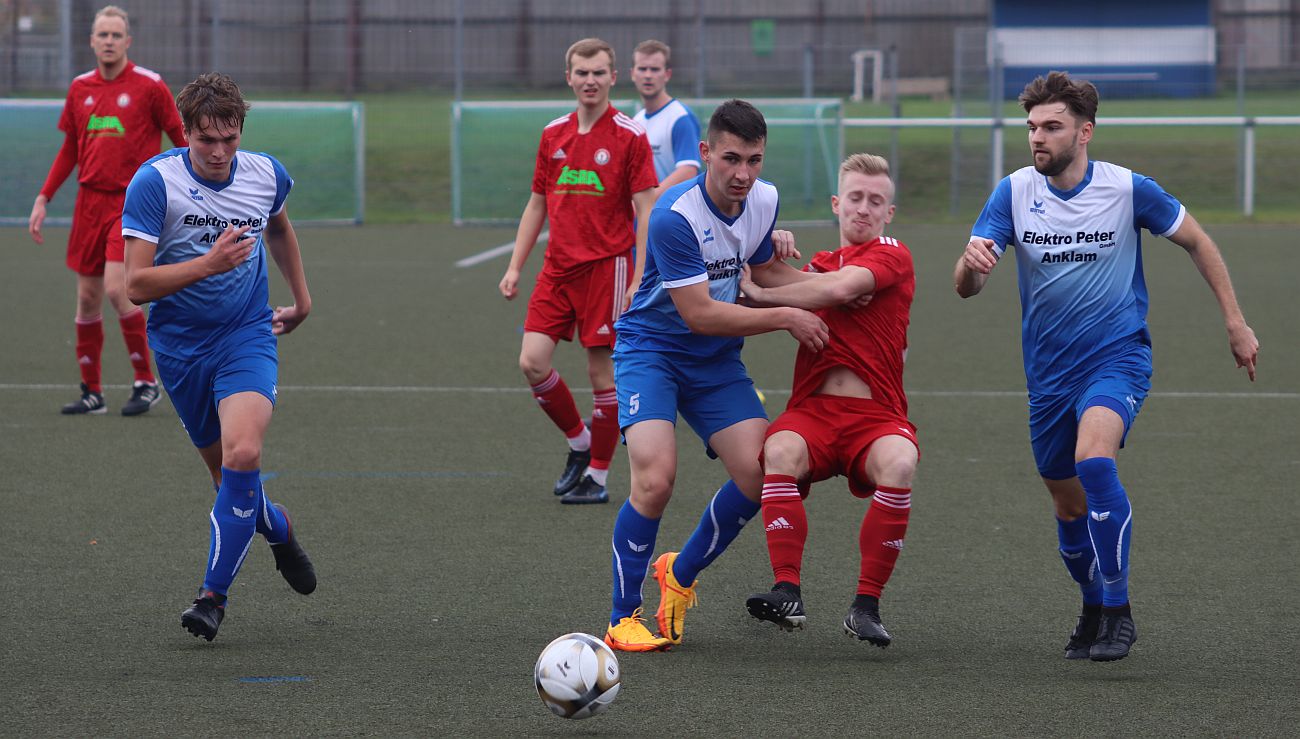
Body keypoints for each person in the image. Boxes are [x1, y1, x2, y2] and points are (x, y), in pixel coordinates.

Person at [954, 71, 1259, 662]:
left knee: (1095, 459)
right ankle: (1093, 602)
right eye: (1032, 128)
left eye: (1052, 127)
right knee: (1066, 505)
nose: (1037, 138)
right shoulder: (1012, 193)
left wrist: (1235, 321)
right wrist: (971, 267)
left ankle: (1119, 610)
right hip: (1047, 374)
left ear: (1085, 132)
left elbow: (1198, 240)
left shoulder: (1128, 190)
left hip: (1117, 356)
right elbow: (966, 287)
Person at [602, 99, 829, 652]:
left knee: (767, 476)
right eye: (731, 159)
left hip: (716, 360)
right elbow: (698, 313)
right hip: (653, 349)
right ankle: (622, 616)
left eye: (754, 160)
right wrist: (785, 315)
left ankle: (680, 570)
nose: (743, 174)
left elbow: (763, 268)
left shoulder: (763, 199)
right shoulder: (674, 215)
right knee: (654, 480)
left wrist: (840, 289)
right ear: (705, 153)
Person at [121, 72, 317, 641]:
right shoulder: (154, 182)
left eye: (229, 139)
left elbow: (279, 226)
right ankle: (277, 527)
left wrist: (302, 300)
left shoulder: (265, 174)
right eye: (206, 139)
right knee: (226, 477)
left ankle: (212, 597)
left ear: (240, 131)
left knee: (245, 451)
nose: (219, 151)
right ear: (185, 133)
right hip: (180, 348)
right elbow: (136, 285)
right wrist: (207, 264)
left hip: (246, 335)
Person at [739, 153, 918, 648]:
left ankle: (866, 606)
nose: (864, 208)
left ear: (889, 212)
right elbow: (793, 280)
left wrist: (768, 289)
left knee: (900, 462)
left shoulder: (892, 253)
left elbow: (832, 289)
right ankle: (787, 591)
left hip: (875, 416)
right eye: (855, 198)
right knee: (779, 452)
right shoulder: (821, 265)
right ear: (837, 205)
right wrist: (767, 247)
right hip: (814, 412)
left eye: (875, 201)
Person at [498, 38, 659, 505]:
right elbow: (537, 204)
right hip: (557, 270)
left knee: (601, 377)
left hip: (607, 270)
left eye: (599, 73)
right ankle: (579, 443)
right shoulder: (553, 134)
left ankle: (600, 477)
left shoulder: (629, 135)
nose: (590, 81)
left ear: (613, 77)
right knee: (531, 361)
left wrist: (638, 276)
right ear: (569, 77)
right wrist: (514, 266)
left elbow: (646, 209)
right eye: (582, 73)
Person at [28, 5, 187, 416]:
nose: (110, 41)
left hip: (131, 202)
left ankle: (145, 382)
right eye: (103, 35)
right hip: (88, 203)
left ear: (128, 41)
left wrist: (191, 186)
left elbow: (180, 138)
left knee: (119, 289)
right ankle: (92, 392)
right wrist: (44, 197)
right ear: (92, 41)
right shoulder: (80, 88)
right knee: (86, 297)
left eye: (117, 35)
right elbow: (70, 150)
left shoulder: (150, 86)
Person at [629, 40, 702, 196]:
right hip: (643, 217)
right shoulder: (637, 121)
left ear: (667, 74)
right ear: (633, 74)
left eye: (655, 69)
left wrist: (648, 200)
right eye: (642, 69)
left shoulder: (681, 117)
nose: (648, 75)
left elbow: (688, 171)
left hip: (671, 216)